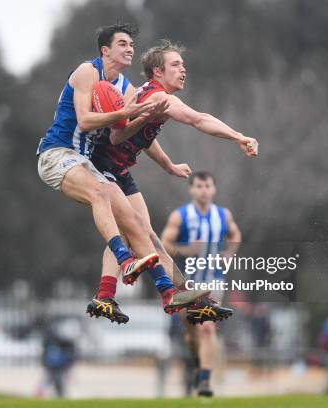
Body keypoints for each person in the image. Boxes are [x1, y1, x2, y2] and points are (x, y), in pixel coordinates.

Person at [37, 23, 198, 323]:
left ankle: (169, 292)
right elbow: (85, 121)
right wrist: (126, 114)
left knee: (135, 220)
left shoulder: (126, 89)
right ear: (105, 50)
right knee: (102, 193)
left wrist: (167, 164)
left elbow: (131, 134)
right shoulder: (87, 72)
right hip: (56, 155)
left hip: (86, 164)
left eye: (131, 45)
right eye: (122, 43)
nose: (129, 49)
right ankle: (124, 260)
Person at [89, 39, 255, 323]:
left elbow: (142, 136)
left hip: (120, 171)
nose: (183, 70)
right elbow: (198, 119)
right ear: (157, 72)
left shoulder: (150, 96)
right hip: (103, 168)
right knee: (140, 234)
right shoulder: (160, 98)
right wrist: (238, 136)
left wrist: (168, 165)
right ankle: (110, 296)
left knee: (146, 235)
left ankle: (185, 296)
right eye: (175, 65)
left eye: (183, 65)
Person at [161, 171, 242, 397]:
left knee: (207, 327)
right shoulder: (181, 216)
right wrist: (185, 250)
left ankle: (205, 381)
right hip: (186, 282)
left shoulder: (223, 215)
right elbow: (163, 243)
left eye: (207, 186)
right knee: (191, 332)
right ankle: (196, 365)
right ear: (191, 189)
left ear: (214, 189)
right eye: (199, 186)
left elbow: (236, 234)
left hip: (213, 281)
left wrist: (230, 254)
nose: (203, 190)